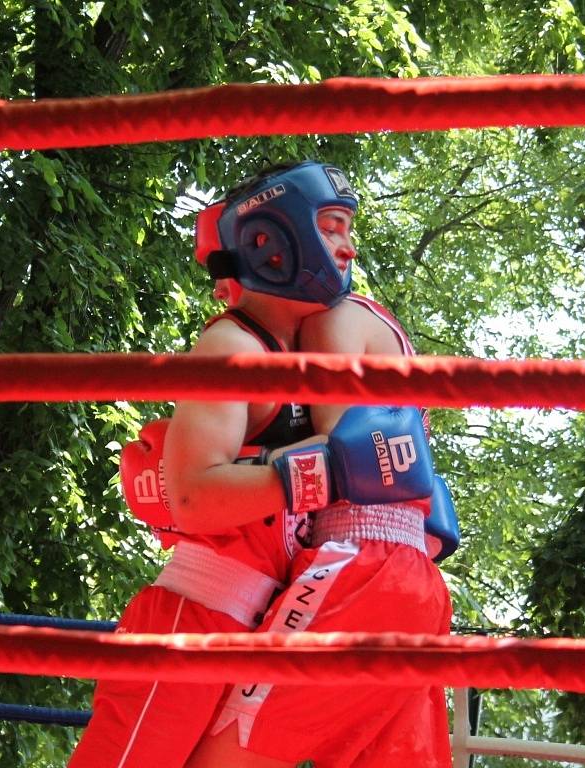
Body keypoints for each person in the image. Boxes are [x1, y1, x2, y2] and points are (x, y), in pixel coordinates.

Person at [68, 160, 429, 768]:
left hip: (251, 612)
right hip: (193, 610)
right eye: (333, 225)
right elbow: (188, 495)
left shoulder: (302, 351)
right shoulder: (231, 346)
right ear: (273, 238)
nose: (349, 244)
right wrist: (326, 469)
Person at [183, 220, 455, 766]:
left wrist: (230, 464)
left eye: (343, 229)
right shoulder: (366, 322)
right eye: (332, 229)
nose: (348, 246)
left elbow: (341, 459)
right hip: (414, 582)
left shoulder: (332, 319)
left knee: (221, 757)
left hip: (358, 565)